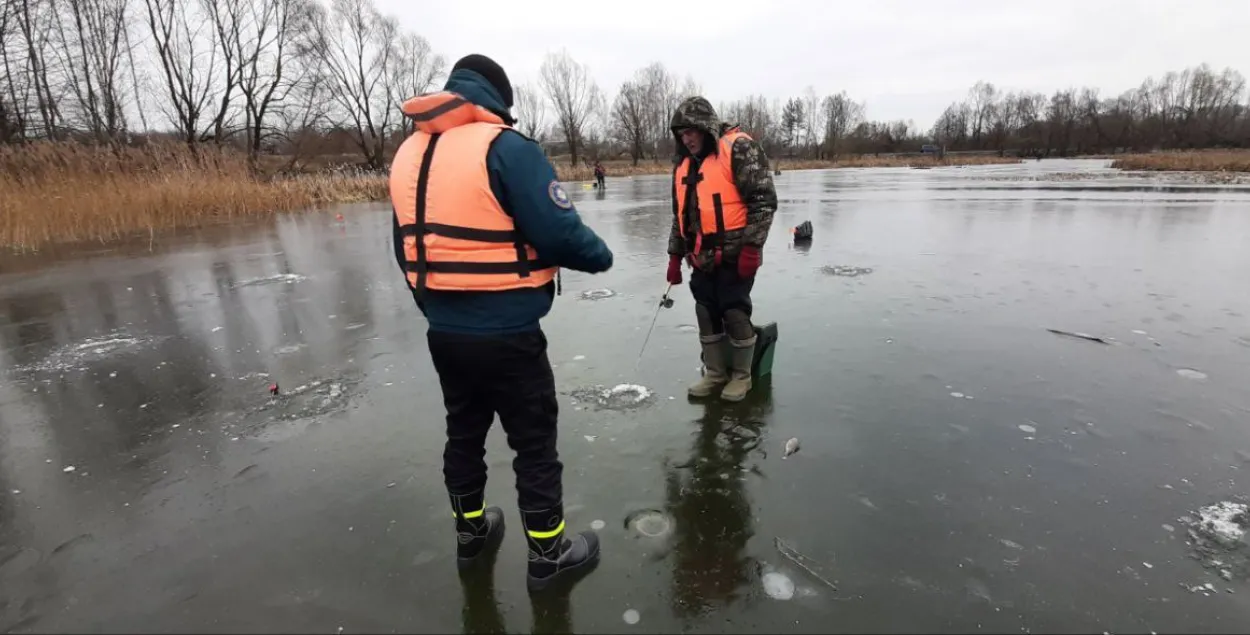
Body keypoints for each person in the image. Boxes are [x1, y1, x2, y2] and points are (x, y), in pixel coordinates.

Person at [388, 53, 613, 592]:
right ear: (498, 101)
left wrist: (436, 307)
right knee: (533, 445)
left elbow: (405, 247)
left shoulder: (408, 155)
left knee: (463, 434)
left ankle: (471, 535)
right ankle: (548, 555)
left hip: (445, 332)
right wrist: (602, 255)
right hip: (509, 333)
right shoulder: (506, 149)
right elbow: (559, 233)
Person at [665, 96, 777, 402]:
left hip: (736, 255)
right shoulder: (683, 165)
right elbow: (680, 218)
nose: (686, 138)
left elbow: (763, 201)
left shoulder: (739, 148)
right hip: (700, 258)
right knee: (706, 310)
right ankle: (715, 374)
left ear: (706, 127)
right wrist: (674, 257)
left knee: (734, 309)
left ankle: (742, 376)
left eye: (691, 131)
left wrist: (752, 248)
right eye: (681, 134)